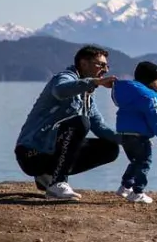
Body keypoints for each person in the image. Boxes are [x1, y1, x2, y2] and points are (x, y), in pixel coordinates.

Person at [14, 44, 121, 201]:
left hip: (49, 153)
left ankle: (48, 176)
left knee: (110, 148)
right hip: (31, 153)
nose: (105, 70)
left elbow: (101, 128)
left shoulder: (87, 96)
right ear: (84, 63)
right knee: (80, 123)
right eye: (101, 65)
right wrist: (96, 82)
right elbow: (60, 90)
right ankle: (58, 183)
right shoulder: (64, 77)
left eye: (107, 66)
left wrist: (131, 138)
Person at [111, 60, 157, 204]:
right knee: (144, 163)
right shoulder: (150, 98)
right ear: (149, 81)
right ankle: (138, 192)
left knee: (136, 162)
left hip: (125, 136)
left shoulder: (130, 95)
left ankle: (125, 187)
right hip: (139, 138)